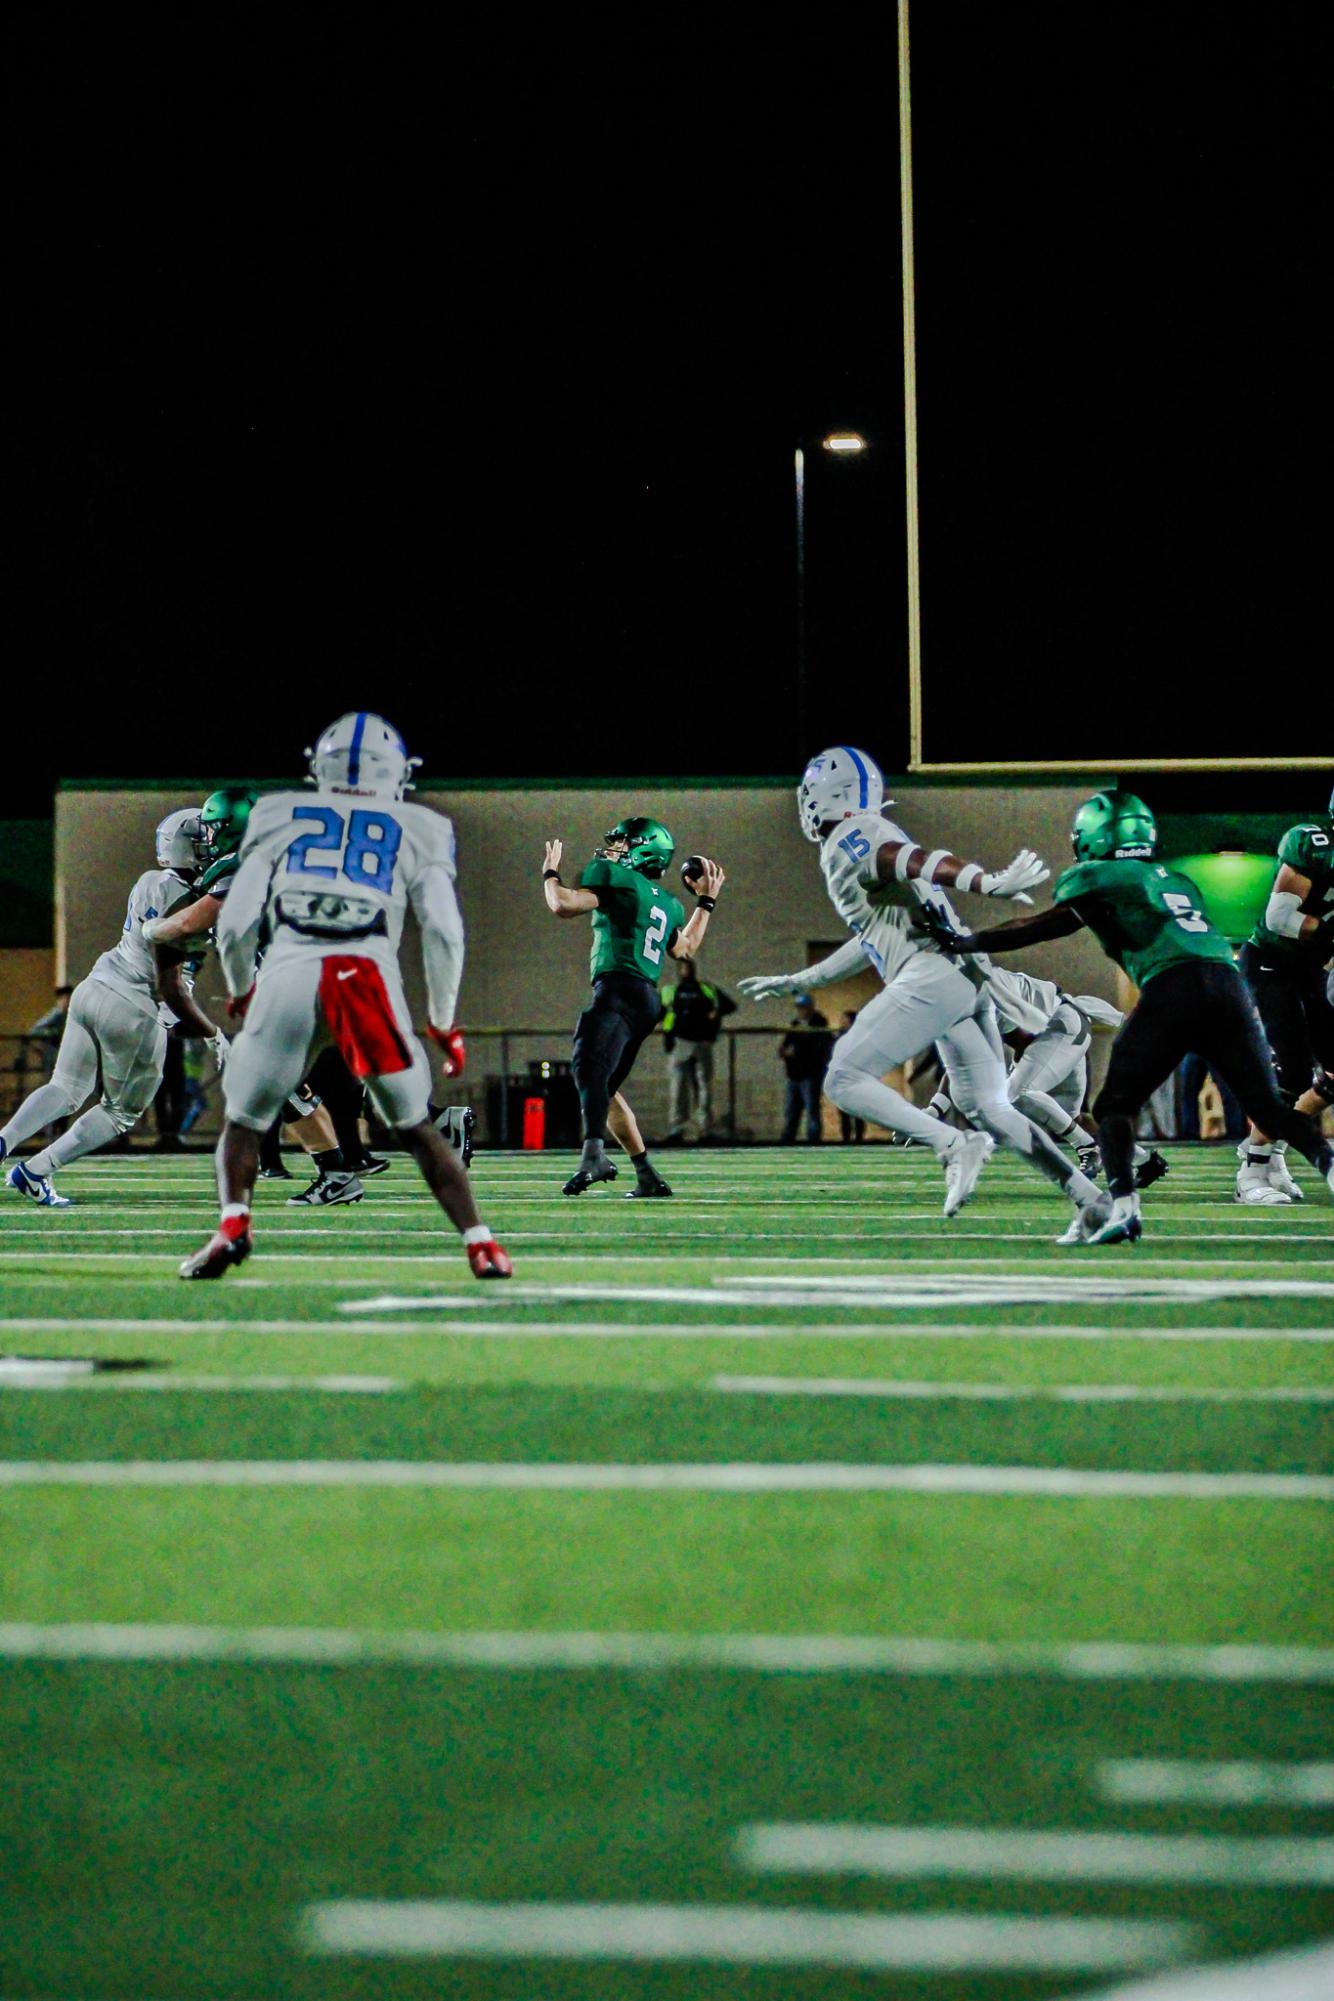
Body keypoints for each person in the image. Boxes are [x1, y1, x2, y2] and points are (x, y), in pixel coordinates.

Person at [178, 712, 510, 1279]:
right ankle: (480, 1242)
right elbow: (445, 931)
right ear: (397, 771)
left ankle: (233, 1222)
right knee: (413, 1125)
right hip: (365, 976)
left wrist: (241, 989)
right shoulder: (421, 825)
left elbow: (235, 923)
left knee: (246, 1119)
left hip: (288, 971)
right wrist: (442, 1019)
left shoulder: (278, 814)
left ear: (320, 766)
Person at [935, 788, 1334, 1244]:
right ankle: (1329, 1166)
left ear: (1095, 836)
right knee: (1267, 1104)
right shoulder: (1176, 879)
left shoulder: (1099, 875)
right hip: (1227, 980)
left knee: (1112, 1108)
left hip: (1174, 985)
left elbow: (1040, 926)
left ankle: (1123, 1208)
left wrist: (965, 941)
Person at [738, 745, 1105, 1222]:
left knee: (844, 1079)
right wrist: (798, 979)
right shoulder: (863, 834)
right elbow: (869, 939)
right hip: (962, 979)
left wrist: (985, 882)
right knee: (990, 1107)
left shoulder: (853, 832)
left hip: (931, 977)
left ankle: (953, 1145)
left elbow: (907, 858)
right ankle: (1090, 1199)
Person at [145, 785, 368, 1208]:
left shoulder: (238, 862)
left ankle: (347, 1165)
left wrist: (150, 929)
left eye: (214, 829)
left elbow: (190, 923)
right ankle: (340, 1170)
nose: (208, 838)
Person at [0, 810, 227, 1206]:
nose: (213, 848)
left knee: (65, 1088)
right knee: (120, 1113)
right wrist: (213, 1034)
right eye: (205, 842)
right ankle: (34, 1171)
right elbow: (170, 987)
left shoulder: (149, 881)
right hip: (135, 1006)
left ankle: (4, 1141)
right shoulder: (186, 902)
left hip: (96, 987)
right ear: (188, 849)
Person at [542, 816, 724, 1196]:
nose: (613, 848)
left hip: (619, 990)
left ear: (643, 849)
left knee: (586, 1065)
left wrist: (550, 874)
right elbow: (685, 947)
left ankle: (593, 1154)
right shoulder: (666, 903)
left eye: (623, 843)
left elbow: (562, 904)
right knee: (602, 1087)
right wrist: (705, 902)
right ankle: (646, 1174)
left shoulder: (619, 880)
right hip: (645, 999)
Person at [1234, 784, 1334, 1204]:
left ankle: (1271, 1149)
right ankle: (1252, 1169)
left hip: (1311, 970)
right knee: (1291, 1072)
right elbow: (1279, 918)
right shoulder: (1314, 843)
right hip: (1271, 965)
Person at [661, 963, 735, 1142]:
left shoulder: (707, 989)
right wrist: (667, 1037)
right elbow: (660, 1012)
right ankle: (677, 1128)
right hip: (680, 1041)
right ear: (679, 971)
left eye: (688, 969)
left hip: (702, 1043)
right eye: (683, 969)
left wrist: (716, 1013)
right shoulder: (671, 991)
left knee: (704, 1087)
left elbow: (729, 1005)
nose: (686, 972)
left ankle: (704, 1128)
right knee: (678, 1087)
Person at [778, 995, 833, 1142]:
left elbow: (819, 1049)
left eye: (803, 1007)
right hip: (794, 1074)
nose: (801, 1011)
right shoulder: (795, 1024)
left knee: (812, 1110)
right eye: (799, 1008)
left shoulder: (819, 1025)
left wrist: (797, 1053)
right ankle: (788, 1138)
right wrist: (785, 1052)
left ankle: (813, 1139)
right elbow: (785, 1045)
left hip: (810, 1074)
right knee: (791, 1111)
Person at [835, 1010, 865, 1141]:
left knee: (857, 1110)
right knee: (844, 1111)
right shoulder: (839, 1038)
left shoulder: (860, 1038)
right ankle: (846, 1137)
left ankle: (858, 1137)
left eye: (844, 1020)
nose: (842, 1023)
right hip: (843, 1079)